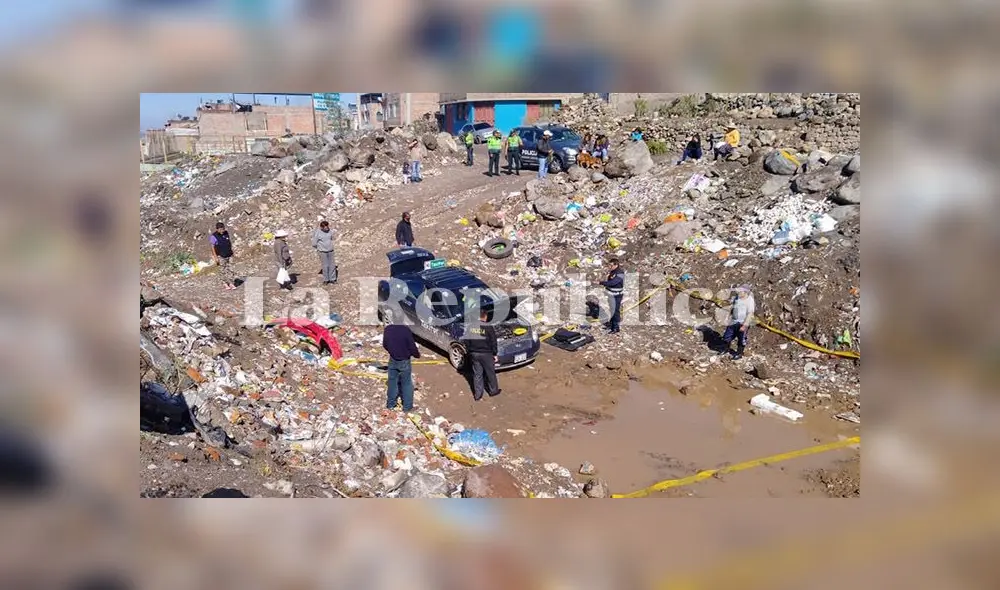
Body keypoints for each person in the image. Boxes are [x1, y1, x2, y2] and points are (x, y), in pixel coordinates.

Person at [463, 308, 501, 401]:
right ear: (485, 316)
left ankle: (478, 395)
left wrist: (470, 351)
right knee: (490, 373)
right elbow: (493, 341)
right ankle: (493, 391)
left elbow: (466, 341)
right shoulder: (488, 327)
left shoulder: (470, 327)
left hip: (474, 354)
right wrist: (495, 354)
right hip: (486, 354)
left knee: (477, 374)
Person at [382, 320, 420, 412]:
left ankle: (390, 405)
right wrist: (416, 355)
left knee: (392, 383)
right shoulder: (405, 331)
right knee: (406, 384)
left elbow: (385, 344)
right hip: (404, 361)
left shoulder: (388, 329)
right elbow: (412, 347)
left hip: (392, 360)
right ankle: (407, 407)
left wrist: (392, 351)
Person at [721, 285, 755, 360]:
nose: (738, 293)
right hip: (733, 321)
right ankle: (725, 349)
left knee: (741, 339)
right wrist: (728, 317)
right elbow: (733, 308)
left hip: (742, 323)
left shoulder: (749, 301)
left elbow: (750, 314)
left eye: (740, 292)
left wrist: (745, 325)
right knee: (727, 336)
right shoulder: (737, 298)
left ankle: (739, 353)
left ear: (745, 292)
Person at [598, 258, 625, 334]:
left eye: (611, 265)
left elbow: (613, 283)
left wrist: (601, 282)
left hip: (617, 296)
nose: (609, 267)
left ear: (616, 265)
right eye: (609, 265)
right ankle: (611, 324)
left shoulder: (620, 273)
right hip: (611, 295)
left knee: (615, 312)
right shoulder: (613, 272)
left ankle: (615, 328)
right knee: (612, 310)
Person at [209, 222, 237, 290]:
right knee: (223, 270)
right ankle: (225, 283)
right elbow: (212, 247)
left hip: (229, 254)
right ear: (217, 229)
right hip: (221, 256)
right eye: (220, 229)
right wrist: (215, 257)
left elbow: (228, 242)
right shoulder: (214, 236)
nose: (222, 231)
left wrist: (232, 251)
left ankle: (231, 283)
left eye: (223, 229)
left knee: (231, 269)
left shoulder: (226, 233)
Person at [311, 220, 337, 285]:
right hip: (322, 252)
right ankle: (326, 280)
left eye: (327, 226)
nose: (326, 228)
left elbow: (332, 238)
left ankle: (333, 279)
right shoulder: (318, 233)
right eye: (325, 227)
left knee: (332, 265)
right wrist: (319, 248)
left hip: (330, 251)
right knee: (325, 266)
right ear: (321, 227)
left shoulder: (330, 231)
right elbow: (314, 243)